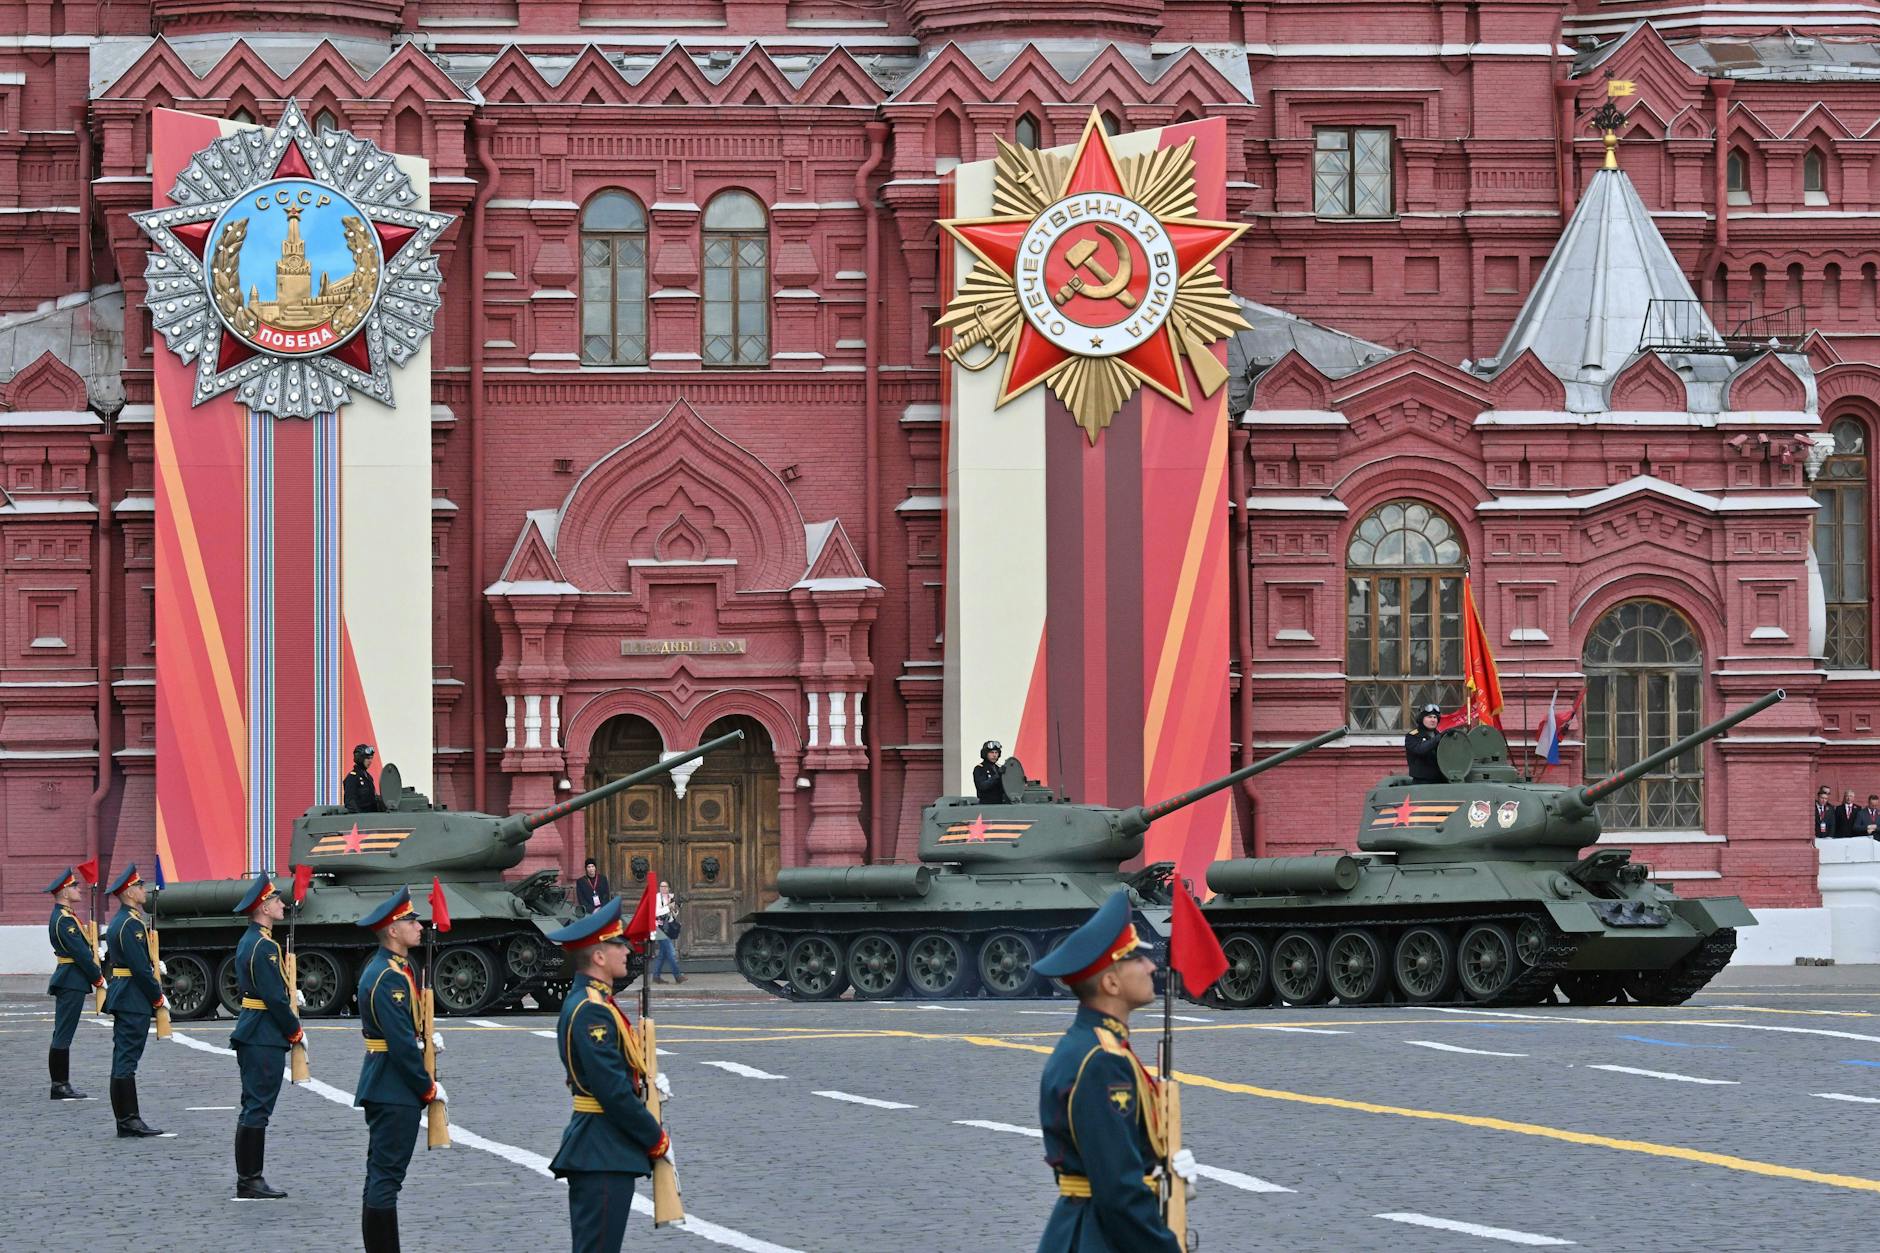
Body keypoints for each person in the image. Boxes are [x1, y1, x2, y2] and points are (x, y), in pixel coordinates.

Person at [1031, 892, 1195, 1253]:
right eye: (1136, 958)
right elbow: (1118, 1190)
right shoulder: (1103, 1062)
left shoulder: (1092, 1045)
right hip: (1097, 1236)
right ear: (1111, 984)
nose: (1151, 967)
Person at [544, 898, 675, 1253]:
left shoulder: (596, 1003)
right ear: (599, 956)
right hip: (600, 1146)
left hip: (604, 1146)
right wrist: (655, 1137)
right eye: (618, 944)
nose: (627, 950)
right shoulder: (591, 1011)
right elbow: (611, 1090)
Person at [354, 887, 446, 1252]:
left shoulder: (394, 968)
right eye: (410, 920)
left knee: (380, 1176)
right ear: (392, 930)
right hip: (393, 1087)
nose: (419, 925)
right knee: (386, 1179)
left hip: (386, 1083)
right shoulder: (389, 976)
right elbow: (400, 1043)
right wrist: (426, 1087)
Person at [229, 875, 303, 1199]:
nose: (282, 905)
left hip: (254, 1028)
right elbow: (273, 997)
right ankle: (250, 1179)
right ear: (263, 907)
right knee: (258, 1107)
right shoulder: (264, 945)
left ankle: (249, 1177)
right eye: (276, 901)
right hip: (263, 1033)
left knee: (252, 1105)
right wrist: (294, 1029)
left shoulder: (251, 940)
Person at [103, 863, 167, 1137]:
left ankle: (127, 1119)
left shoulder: (123, 921)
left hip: (125, 993)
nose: (145, 891)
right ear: (129, 892)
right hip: (132, 997)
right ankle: (129, 1120)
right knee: (126, 1060)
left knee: (123, 1058)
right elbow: (140, 968)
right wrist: (157, 997)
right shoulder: (131, 924)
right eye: (140, 886)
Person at [44, 866, 104, 1101]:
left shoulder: (65, 917)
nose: (79, 889)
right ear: (65, 892)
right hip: (72, 979)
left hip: (71, 979)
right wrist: (97, 977)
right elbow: (79, 953)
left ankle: (60, 1083)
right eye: (75, 886)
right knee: (64, 1033)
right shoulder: (64, 920)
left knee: (62, 1031)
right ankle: (60, 1084)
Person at [651, 882, 685, 985]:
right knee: (670, 951)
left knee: (662, 954)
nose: (663, 888)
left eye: (665, 886)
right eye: (661, 886)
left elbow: (673, 916)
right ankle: (677, 975)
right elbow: (655, 913)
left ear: (669, 888)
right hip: (657, 927)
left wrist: (674, 909)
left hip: (666, 928)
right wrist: (668, 907)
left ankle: (656, 976)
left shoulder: (671, 898)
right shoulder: (656, 898)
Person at [1404, 704, 1447, 783]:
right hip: (1422, 781)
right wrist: (1439, 738)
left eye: (1435, 717)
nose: (1433, 720)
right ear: (1421, 719)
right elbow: (1420, 749)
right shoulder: (1412, 736)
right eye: (1429, 717)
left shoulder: (1440, 736)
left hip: (1441, 779)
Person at [345, 744, 387, 814]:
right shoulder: (352, 778)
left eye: (371, 758)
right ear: (360, 758)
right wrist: (360, 818)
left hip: (372, 818)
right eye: (367, 758)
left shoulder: (368, 777)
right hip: (362, 819)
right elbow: (350, 803)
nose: (370, 761)